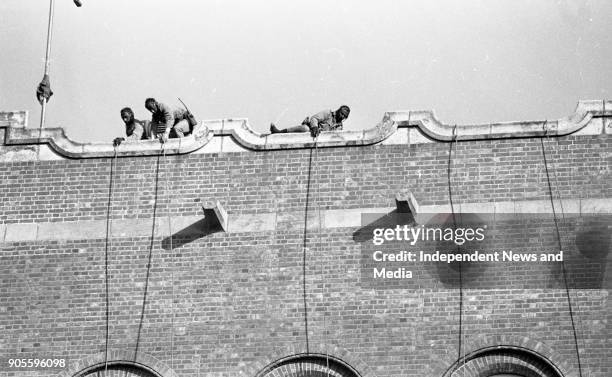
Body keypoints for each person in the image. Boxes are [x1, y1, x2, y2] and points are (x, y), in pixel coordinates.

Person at [270, 105, 350, 137]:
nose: (342, 117)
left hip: (320, 138)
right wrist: (315, 127)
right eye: (342, 114)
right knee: (305, 129)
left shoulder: (339, 126)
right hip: (311, 130)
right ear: (339, 111)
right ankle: (279, 132)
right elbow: (314, 118)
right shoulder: (328, 113)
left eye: (344, 116)